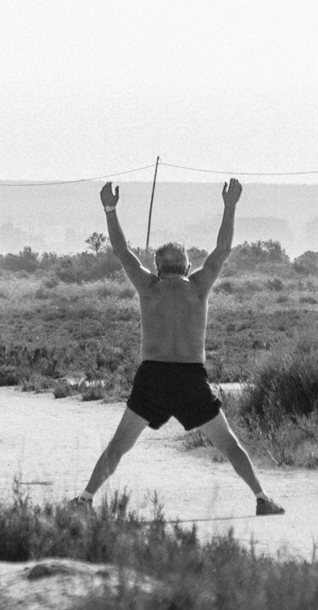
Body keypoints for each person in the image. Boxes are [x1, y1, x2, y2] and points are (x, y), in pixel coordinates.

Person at [73, 177, 284, 516]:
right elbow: (222, 251)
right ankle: (261, 498)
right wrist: (230, 206)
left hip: (153, 376)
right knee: (228, 444)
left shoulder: (148, 287)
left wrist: (110, 210)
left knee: (119, 445)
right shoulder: (198, 286)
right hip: (190, 378)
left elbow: (122, 252)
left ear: (158, 267)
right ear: (187, 266)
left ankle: (84, 500)